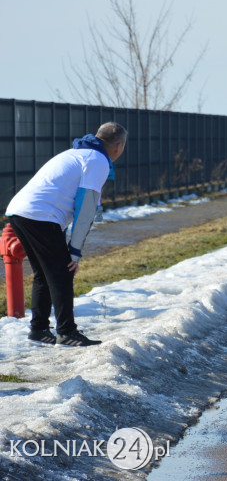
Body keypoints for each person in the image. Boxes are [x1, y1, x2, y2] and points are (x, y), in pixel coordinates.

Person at [4, 122, 128, 347]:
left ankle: (39, 329)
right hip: (40, 216)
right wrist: (75, 250)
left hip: (19, 212)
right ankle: (66, 332)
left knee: (45, 273)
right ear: (118, 146)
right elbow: (86, 209)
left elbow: (85, 204)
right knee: (62, 272)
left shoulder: (78, 153)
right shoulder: (98, 160)